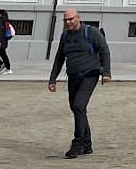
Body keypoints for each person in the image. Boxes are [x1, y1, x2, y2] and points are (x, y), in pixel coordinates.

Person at [47, 10, 112, 158]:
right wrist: (52, 79)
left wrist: (106, 72)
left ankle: (77, 143)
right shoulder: (65, 36)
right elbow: (59, 58)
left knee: (78, 106)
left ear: (78, 18)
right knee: (77, 109)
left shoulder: (91, 32)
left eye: (71, 19)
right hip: (73, 77)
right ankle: (87, 144)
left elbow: (104, 50)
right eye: (66, 20)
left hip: (90, 74)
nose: (68, 22)